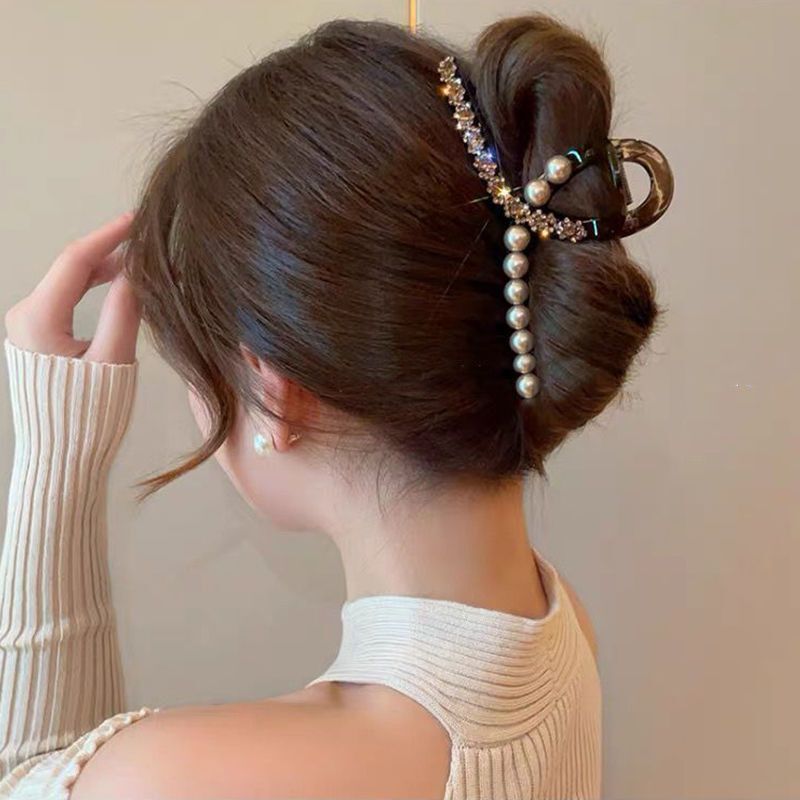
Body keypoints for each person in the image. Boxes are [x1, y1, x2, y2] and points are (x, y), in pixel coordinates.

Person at [0, 12, 672, 800]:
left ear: (272, 391)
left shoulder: (166, 780)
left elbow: (39, 779)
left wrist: (58, 458)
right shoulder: (558, 635)